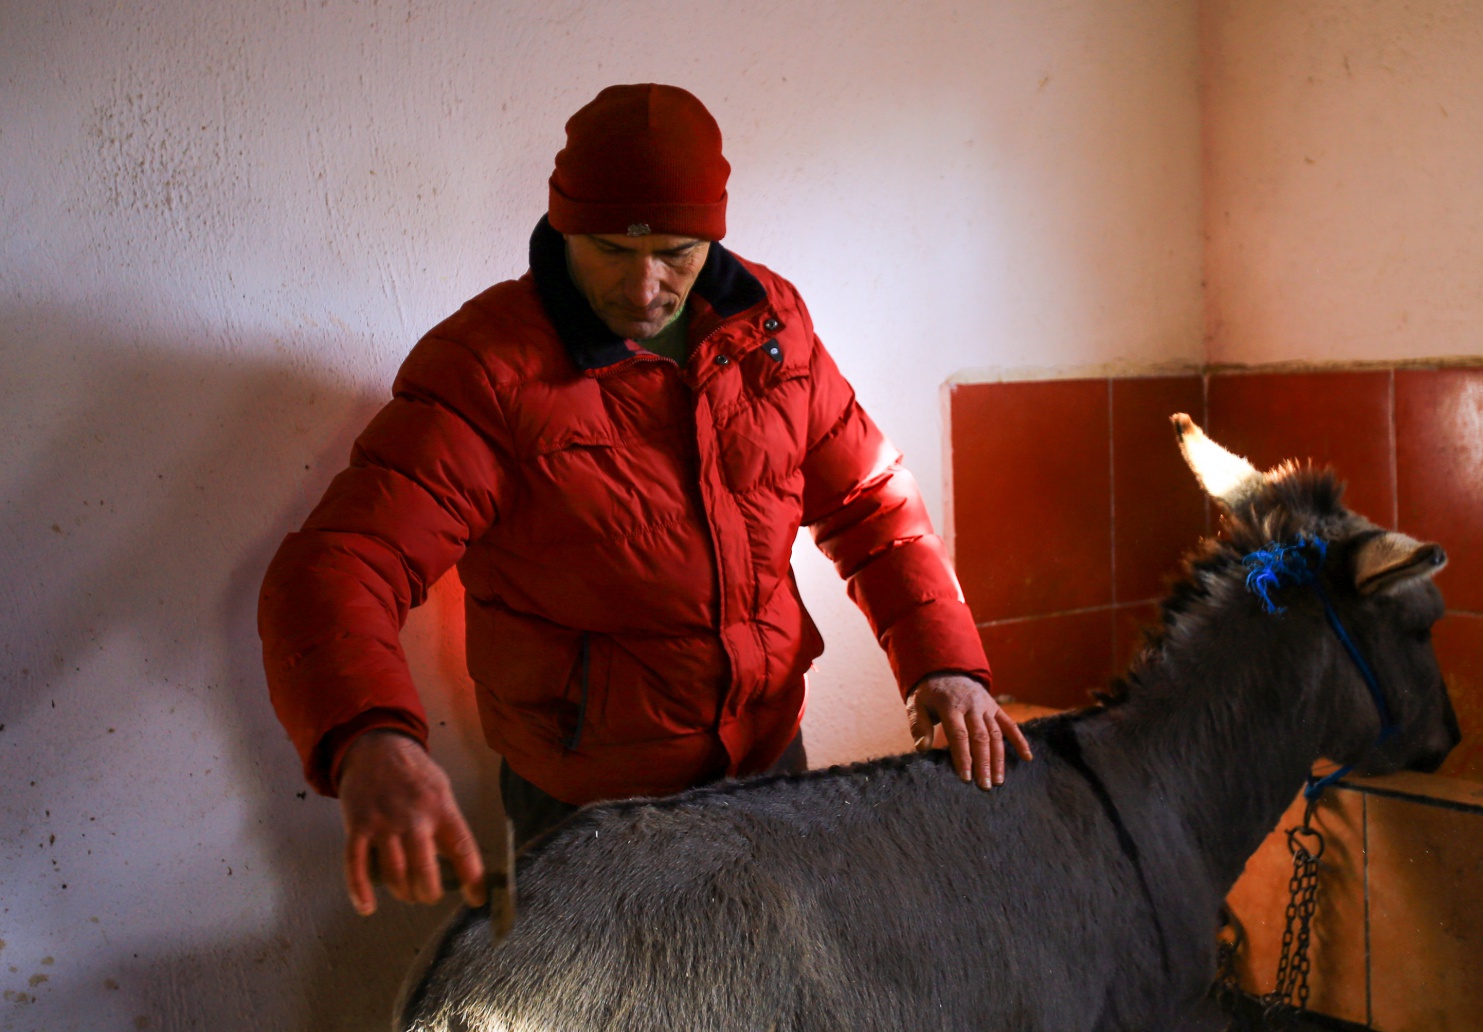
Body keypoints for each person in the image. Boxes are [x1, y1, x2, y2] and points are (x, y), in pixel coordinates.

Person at [258, 84, 1031, 917]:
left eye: (677, 249)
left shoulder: (772, 326)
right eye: (611, 250)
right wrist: (372, 739)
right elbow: (339, 566)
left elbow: (870, 500)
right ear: (563, 227)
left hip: (769, 767)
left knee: (774, 1019)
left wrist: (945, 665)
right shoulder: (486, 371)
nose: (646, 284)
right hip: (591, 805)